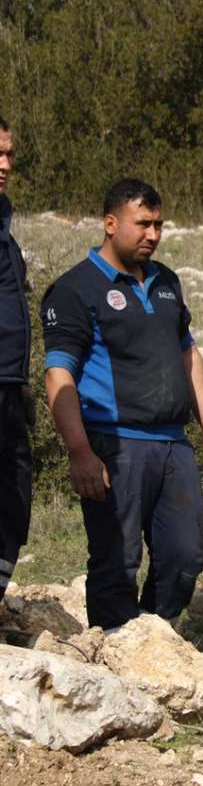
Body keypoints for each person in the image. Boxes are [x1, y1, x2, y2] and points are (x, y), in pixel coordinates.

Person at [41, 179, 203, 631]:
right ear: (110, 223)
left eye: (159, 225)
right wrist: (80, 452)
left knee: (187, 553)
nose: (153, 234)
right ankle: (115, 652)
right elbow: (58, 375)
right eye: (142, 224)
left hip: (173, 446)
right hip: (114, 445)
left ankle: (151, 635)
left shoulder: (167, 282)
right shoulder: (75, 289)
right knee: (116, 560)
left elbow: (188, 354)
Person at [0, 116, 33, 601]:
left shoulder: (4, 225)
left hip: (8, 385)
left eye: (8, 155)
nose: (4, 165)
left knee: (13, 496)